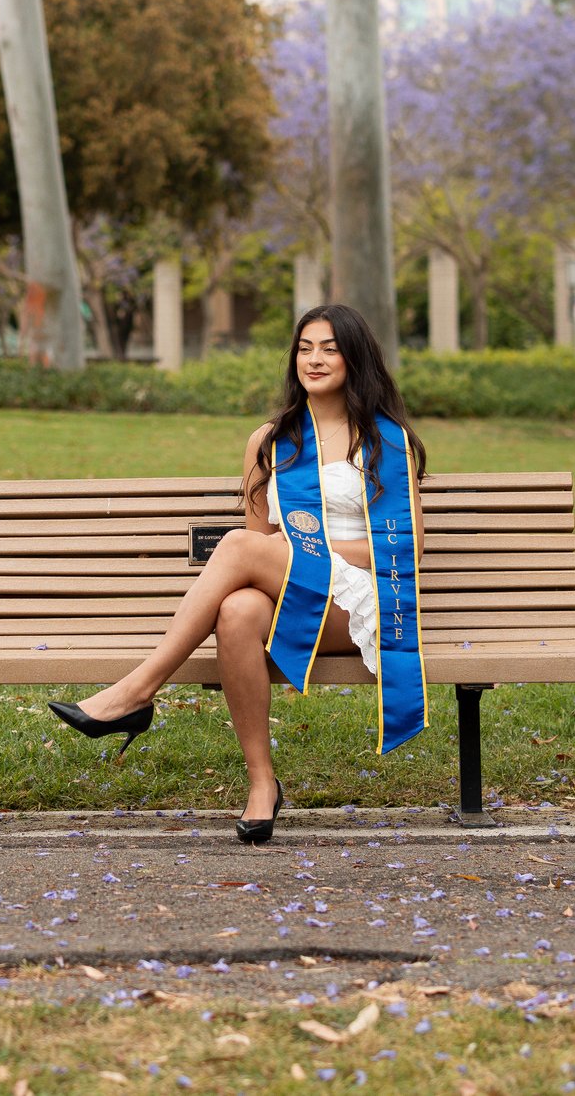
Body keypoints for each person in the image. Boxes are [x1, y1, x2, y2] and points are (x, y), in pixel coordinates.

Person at [50, 304, 428, 844]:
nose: (314, 359)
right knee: (237, 608)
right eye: (305, 348)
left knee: (235, 547)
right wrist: (293, 557)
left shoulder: (386, 442)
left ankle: (137, 691)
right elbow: (258, 550)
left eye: (329, 348)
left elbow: (402, 546)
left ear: (355, 358)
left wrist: (316, 552)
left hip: (365, 603)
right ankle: (261, 784)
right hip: (297, 593)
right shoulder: (271, 441)